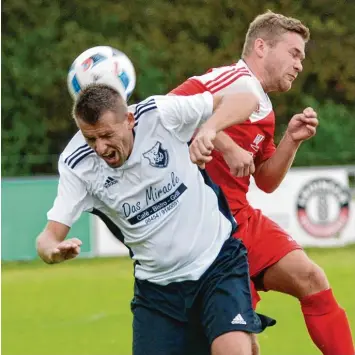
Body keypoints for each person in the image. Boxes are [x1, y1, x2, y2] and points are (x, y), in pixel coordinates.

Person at [36, 83, 275, 355]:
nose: (100, 148)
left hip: (217, 263)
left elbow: (245, 98)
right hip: (158, 292)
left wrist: (209, 129)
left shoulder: (161, 114)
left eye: (106, 135)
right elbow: (48, 237)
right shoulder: (77, 164)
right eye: (90, 139)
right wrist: (51, 251)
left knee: (231, 350)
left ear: (129, 119)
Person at [170, 10, 355, 355]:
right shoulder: (227, 79)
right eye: (294, 53)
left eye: (302, 57)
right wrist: (224, 141)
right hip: (203, 229)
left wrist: (292, 140)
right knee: (239, 347)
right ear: (260, 47)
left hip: (239, 219)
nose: (300, 64)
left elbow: (266, 180)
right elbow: (167, 110)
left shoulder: (264, 108)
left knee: (311, 280)